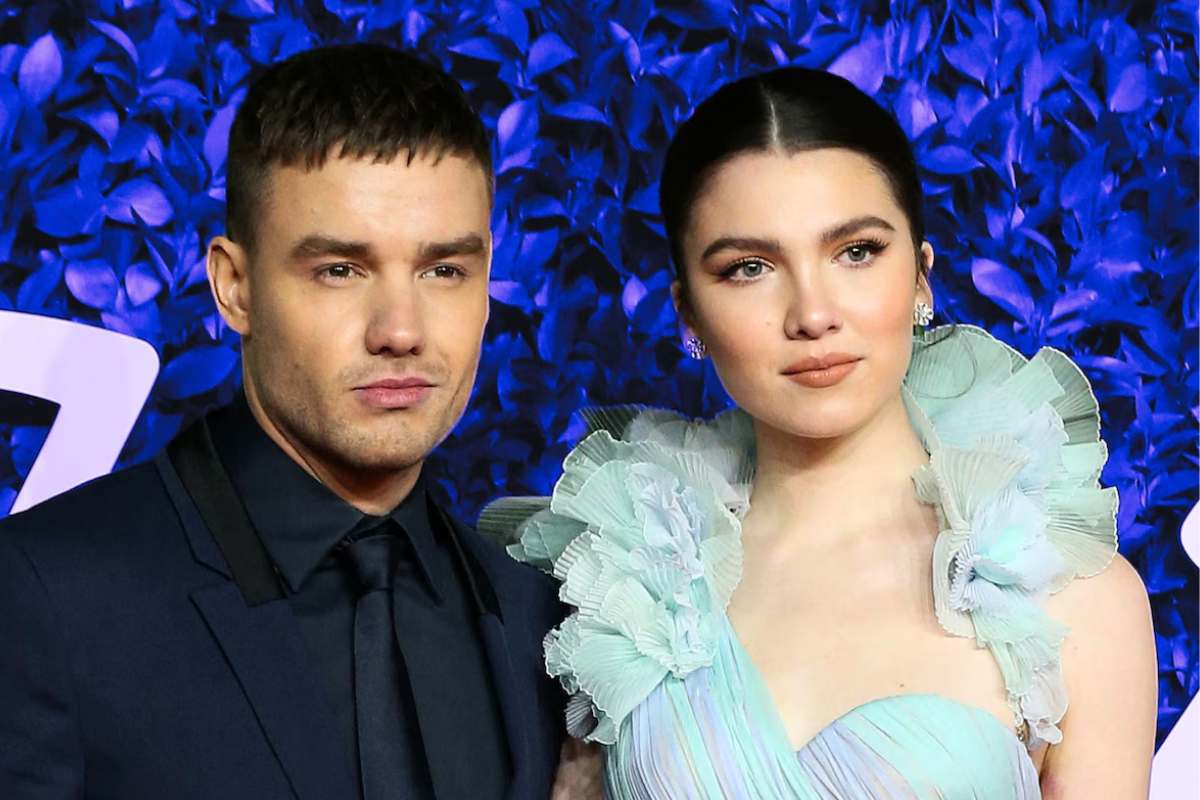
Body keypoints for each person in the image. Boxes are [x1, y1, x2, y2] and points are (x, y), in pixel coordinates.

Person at [483, 67, 1157, 798]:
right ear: (688, 312)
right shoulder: (618, 585)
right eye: (749, 268)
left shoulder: (1075, 599)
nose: (812, 314)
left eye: (857, 251)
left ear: (921, 275)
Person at [0, 44, 565, 800]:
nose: (401, 330)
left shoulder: (539, 622)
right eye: (340, 270)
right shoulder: (45, 597)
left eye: (443, 271)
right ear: (234, 287)